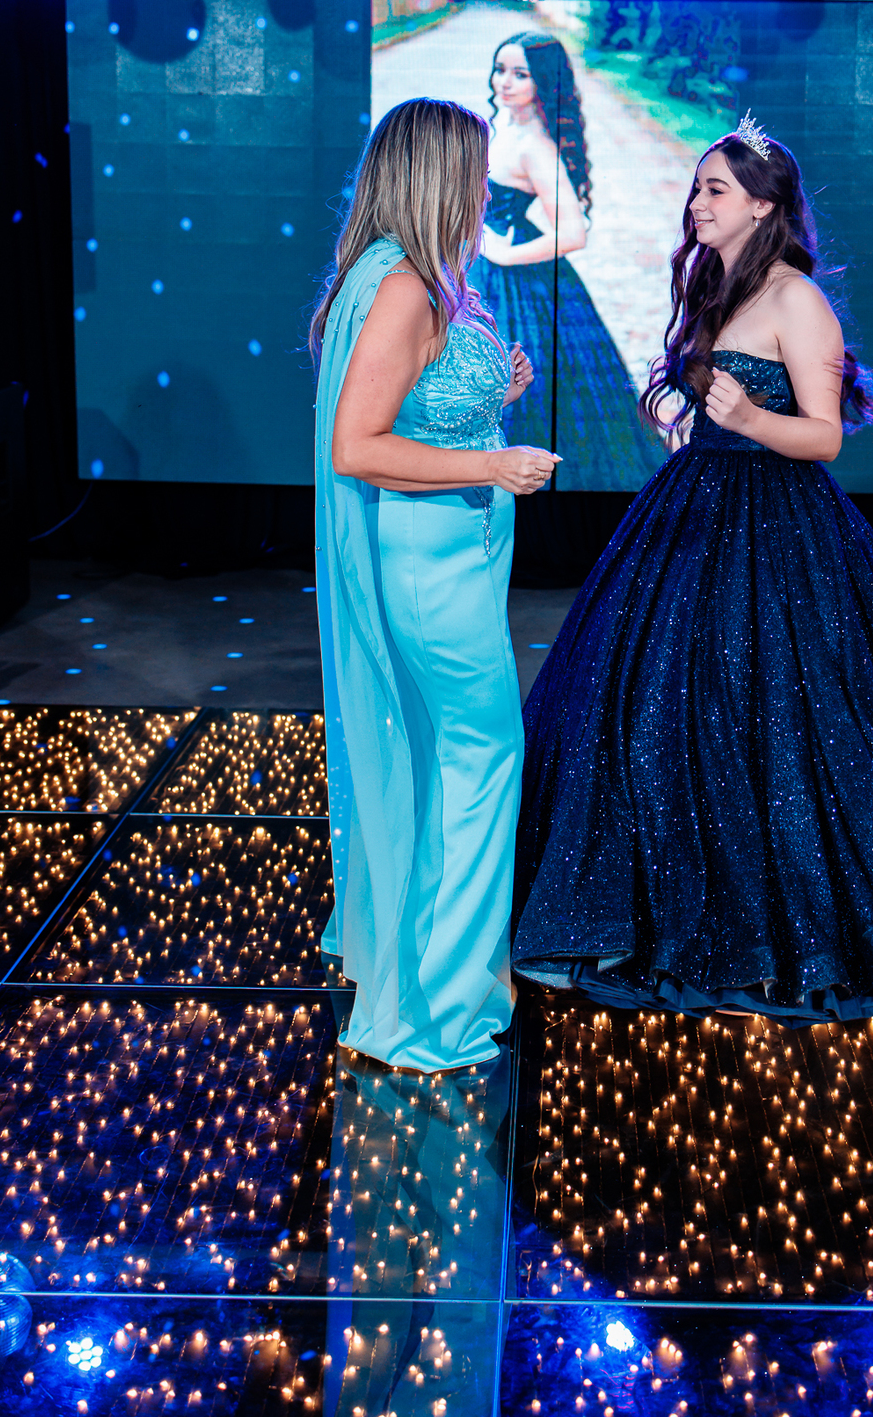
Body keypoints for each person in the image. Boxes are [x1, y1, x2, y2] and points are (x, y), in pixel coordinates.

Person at [512, 115, 873, 1025]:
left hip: (779, 530)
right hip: (694, 512)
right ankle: (617, 919)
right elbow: (717, 409)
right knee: (649, 715)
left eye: (715, 189)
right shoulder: (717, 285)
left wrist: (750, 421)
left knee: (806, 733)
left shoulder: (798, 300)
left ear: (763, 206)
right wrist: (691, 422)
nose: (697, 202)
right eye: (697, 187)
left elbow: (824, 436)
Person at [311, 97, 559, 1072]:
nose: (485, 189)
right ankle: (440, 1008)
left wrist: (490, 399)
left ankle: (431, 962)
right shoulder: (406, 287)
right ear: (438, 177)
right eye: (474, 171)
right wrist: (493, 464)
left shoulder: (404, 275)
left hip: (448, 556)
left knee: (447, 754)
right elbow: (358, 446)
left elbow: (416, 407)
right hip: (429, 566)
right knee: (482, 756)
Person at [470, 31, 662, 492]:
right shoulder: (502, 127)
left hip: (513, 278)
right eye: (500, 70)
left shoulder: (536, 146)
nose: (505, 81)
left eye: (520, 74)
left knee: (533, 382)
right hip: (482, 266)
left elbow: (573, 232)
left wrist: (503, 254)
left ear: (543, 81)